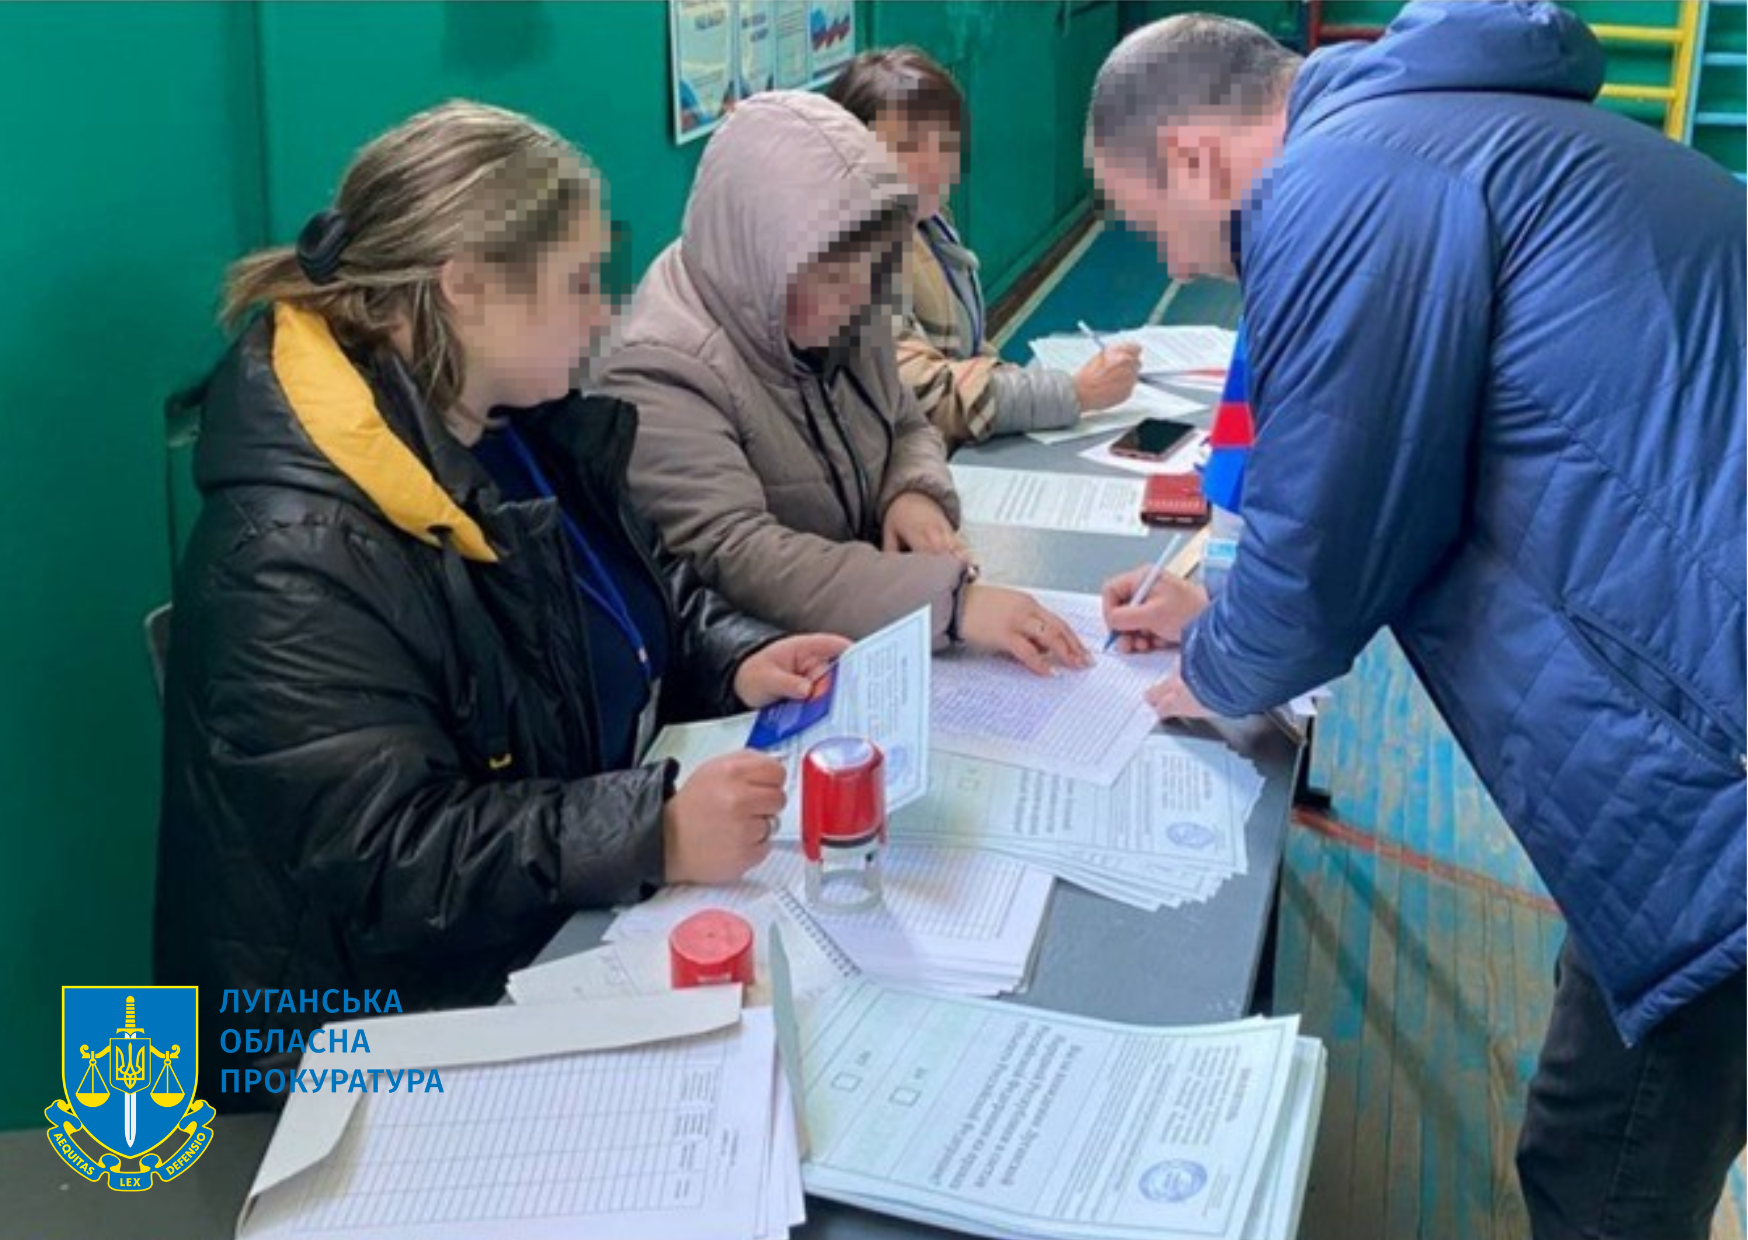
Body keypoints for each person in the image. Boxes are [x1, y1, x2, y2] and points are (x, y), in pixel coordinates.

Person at [1087, 7, 1746, 1238]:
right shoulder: (1432, 126)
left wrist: (1216, 662)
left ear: (1191, 156)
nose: (1175, 258)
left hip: (1713, 748)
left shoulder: (1335, 180)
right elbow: (1387, 474)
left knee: (1602, 1169)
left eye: (1147, 223)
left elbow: (1321, 543)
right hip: (1699, 683)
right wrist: (1223, 612)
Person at [155, 100, 848, 1104]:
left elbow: (631, 590)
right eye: (578, 282)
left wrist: (735, 654)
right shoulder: (293, 554)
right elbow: (389, 854)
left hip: (545, 931)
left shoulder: (507, 421)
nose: (602, 313)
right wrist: (651, 832)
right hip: (355, 1041)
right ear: (466, 287)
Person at [599, 90, 1090, 673]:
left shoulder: (848, 295)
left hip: (868, 627)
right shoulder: (660, 367)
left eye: (871, 271)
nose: (856, 299)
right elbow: (737, 555)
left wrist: (911, 491)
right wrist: (951, 603)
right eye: (833, 278)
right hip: (768, 670)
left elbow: (906, 421)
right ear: (767, 255)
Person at [824, 47, 1142, 449]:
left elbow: (969, 350)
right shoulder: (844, 254)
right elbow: (920, 390)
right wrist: (1076, 392)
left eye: (945, 143)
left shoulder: (927, 222)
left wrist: (1026, 388)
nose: (935, 163)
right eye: (906, 145)